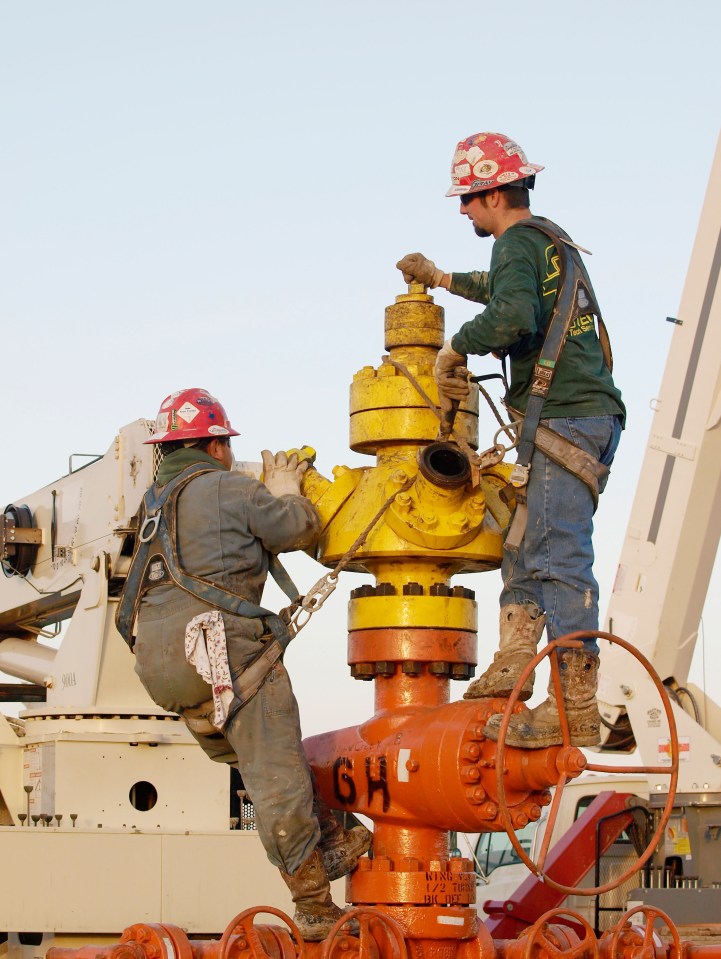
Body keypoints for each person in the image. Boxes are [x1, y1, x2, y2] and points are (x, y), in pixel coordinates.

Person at [396, 133, 625, 749]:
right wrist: (443, 278)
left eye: (469, 198)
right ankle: (512, 666)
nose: (463, 209)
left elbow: (511, 316)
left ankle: (575, 704)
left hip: (564, 420)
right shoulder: (546, 242)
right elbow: (507, 290)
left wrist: (456, 346)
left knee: (556, 558)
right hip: (578, 419)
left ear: (496, 192)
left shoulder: (517, 244)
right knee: (522, 547)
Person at [116, 388, 371, 940]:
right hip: (220, 652)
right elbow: (298, 530)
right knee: (276, 772)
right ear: (216, 445)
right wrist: (286, 492)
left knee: (258, 764)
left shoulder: (153, 507)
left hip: (159, 667)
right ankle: (313, 904)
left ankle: (327, 840)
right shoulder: (229, 486)